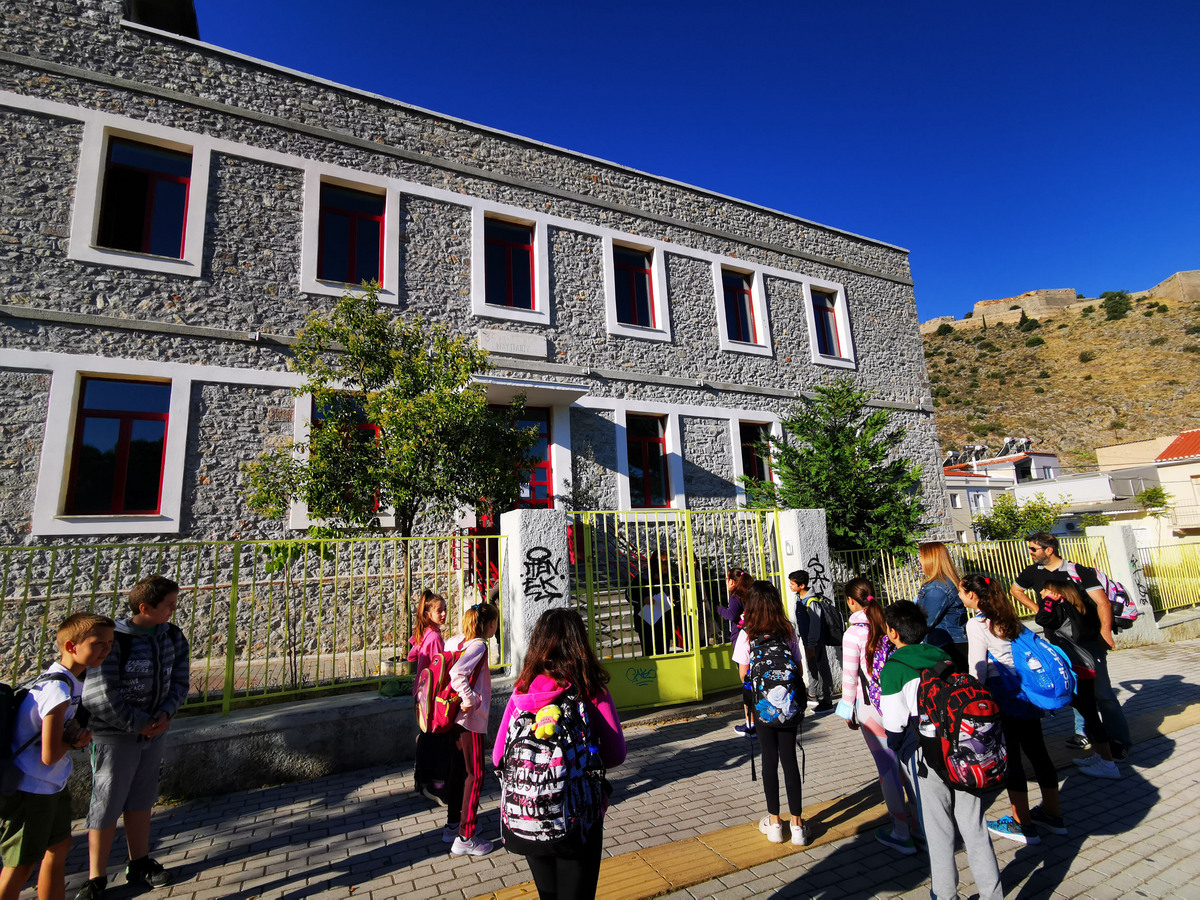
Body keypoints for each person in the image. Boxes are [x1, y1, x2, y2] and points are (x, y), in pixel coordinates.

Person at [493, 609, 626, 899]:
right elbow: (616, 754)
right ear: (580, 644)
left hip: (528, 814)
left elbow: (497, 757)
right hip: (578, 815)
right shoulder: (590, 688)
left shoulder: (522, 691)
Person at [880, 600, 1003, 900]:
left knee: (938, 829)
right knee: (974, 825)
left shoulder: (894, 668)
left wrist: (899, 752)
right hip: (964, 748)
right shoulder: (942, 655)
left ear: (893, 633)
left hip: (927, 755)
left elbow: (894, 726)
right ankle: (993, 893)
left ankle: (945, 894)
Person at [77, 575, 190, 900]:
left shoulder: (172, 636)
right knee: (107, 803)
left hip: (154, 733)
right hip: (114, 736)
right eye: (168, 605)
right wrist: (137, 723)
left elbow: (180, 679)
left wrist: (165, 713)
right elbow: (98, 694)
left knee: (142, 798)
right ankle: (96, 877)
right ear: (145, 608)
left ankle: (139, 862)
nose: (173, 610)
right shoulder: (115, 640)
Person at [1, 613, 114, 900]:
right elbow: (50, 754)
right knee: (21, 865)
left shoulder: (69, 681)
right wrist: (76, 741)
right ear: (71, 647)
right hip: (32, 788)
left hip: (51, 784)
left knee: (59, 847)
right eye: (98, 643)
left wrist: (71, 734)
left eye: (110, 643)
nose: (106, 649)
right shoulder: (58, 689)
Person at [960, 573, 1065, 844]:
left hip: (1003, 695)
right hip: (1026, 692)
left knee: (1011, 759)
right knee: (1038, 752)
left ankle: (1022, 823)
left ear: (972, 595)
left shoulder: (977, 624)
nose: (960, 596)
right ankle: (1053, 813)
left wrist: (973, 698)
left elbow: (978, 668)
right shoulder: (1010, 617)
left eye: (961, 592)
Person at [1011, 532, 1131, 759]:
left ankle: (1119, 740)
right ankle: (1083, 733)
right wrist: (1037, 609)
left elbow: (1102, 602)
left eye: (1033, 549)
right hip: (1057, 643)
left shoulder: (1078, 571)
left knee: (1102, 693)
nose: (1030, 553)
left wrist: (1105, 632)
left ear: (1049, 550)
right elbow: (1015, 590)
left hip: (1087, 641)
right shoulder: (1032, 572)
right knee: (1076, 690)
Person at [834, 578, 919, 855]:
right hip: (899, 702)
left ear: (851, 601)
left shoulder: (853, 634)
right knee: (909, 766)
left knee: (887, 770)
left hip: (870, 707)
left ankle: (900, 832)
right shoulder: (887, 624)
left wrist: (847, 711)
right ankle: (923, 828)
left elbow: (850, 676)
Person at [733, 580, 811, 847]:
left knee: (769, 759)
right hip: (788, 706)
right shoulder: (788, 630)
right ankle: (797, 826)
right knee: (789, 759)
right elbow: (799, 669)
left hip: (762, 707)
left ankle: (775, 824)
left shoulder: (747, 633)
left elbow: (744, 675)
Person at [1034, 571, 1120, 780]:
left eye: (1045, 591)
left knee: (1090, 714)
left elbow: (1042, 618)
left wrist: (1049, 601)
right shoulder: (1072, 606)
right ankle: (1100, 756)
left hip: (1079, 666)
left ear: (1055, 592)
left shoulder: (1060, 607)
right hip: (1082, 663)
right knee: (1087, 712)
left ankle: (1108, 764)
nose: (1041, 594)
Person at [445, 602, 499, 856]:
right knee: (475, 775)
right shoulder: (479, 645)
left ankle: (452, 826)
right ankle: (465, 836)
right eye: (495, 622)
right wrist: (469, 699)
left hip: (453, 717)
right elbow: (457, 673)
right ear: (490, 624)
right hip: (470, 719)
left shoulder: (457, 641)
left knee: (459, 772)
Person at [406, 589, 449, 804]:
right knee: (435, 739)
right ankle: (433, 784)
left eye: (445, 610)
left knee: (426, 736)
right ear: (428, 614)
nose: (444, 614)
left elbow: (411, 655)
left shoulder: (424, 634)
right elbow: (440, 668)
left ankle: (421, 779)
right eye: (439, 611)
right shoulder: (435, 638)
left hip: (421, 692)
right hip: (432, 695)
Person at [790, 569, 840, 713]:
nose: (790, 586)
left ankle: (827, 699)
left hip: (815, 641)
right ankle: (812, 694)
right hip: (808, 641)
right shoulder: (799, 599)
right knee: (811, 666)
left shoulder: (811, 602)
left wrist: (811, 642)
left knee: (822, 667)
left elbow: (815, 624)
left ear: (802, 585)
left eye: (792, 584)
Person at [914, 541, 967, 667]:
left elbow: (925, 621)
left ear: (931, 559)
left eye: (921, 557)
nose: (919, 561)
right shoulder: (941, 583)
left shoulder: (938, 588)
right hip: (952, 644)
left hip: (947, 647)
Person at [720, 568, 756, 735]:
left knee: (746, 680)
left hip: (741, 636)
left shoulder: (736, 596)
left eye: (728, 579)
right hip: (754, 635)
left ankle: (750, 723)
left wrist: (719, 609)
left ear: (732, 582)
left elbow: (732, 614)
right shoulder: (752, 593)